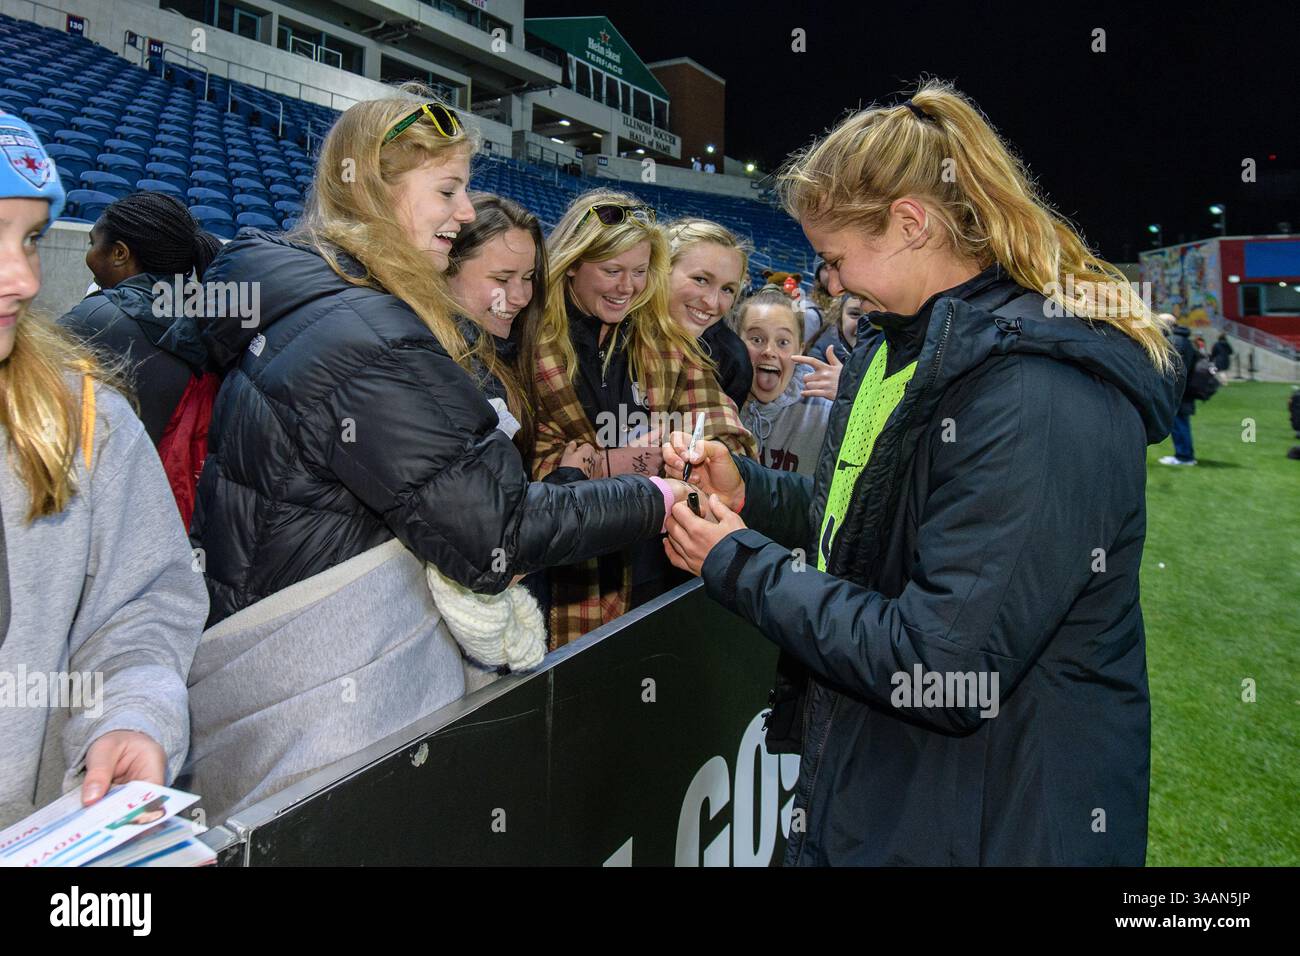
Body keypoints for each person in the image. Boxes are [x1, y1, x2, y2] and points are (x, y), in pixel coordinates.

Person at [660, 81, 1181, 866]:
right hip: (884, 792)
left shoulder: (1037, 393)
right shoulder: (892, 351)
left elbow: (944, 664)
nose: (829, 284)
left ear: (911, 222)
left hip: (993, 820)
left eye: (834, 259)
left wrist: (736, 562)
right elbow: (878, 520)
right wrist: (752, 493)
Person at [184, 93, 691, 821]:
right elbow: (493, 534)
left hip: (298, 664)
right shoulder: (364, 332)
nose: (462, 214)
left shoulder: (332, 305)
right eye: (446, 191)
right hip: (323, 681)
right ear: (372, 189)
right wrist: (658, 498)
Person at [0, 115, 206, 828]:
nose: (26, 277)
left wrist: (133, 713)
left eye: (29, 238)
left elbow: (138, 601)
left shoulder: (84, 410)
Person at [531, 188, 756, 646]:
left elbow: (724, 430)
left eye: (638, 272)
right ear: (572, 261)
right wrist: (625, 460)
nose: (627, 286)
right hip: (559, 570)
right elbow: (520, 457)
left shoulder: (658, 337)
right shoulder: (532, 337)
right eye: (613, 270)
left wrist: (681, 450)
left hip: (653, 560)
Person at [57, 192, 225, 523]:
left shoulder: (99, 317)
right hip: (165, 516)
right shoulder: (209, 318)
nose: (88, 256)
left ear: (119, 253)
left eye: (93, 244)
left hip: (93, 509)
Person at [735, 287, 831, 477]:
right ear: (737, 342)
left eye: (783, 342)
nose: (769, 351)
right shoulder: (716, 399)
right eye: (756, 339)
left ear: (801, 349)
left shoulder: (827, 414)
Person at [662, 217, 753, 409]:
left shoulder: (732, 362)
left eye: (727, 289)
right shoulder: (611, 328)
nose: (712, 302)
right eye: (701, 280)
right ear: (662, 269)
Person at [1161, 320, 1200, 466]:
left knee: (1179, 424)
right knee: (1181, 423)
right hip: (1185, 389)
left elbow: (1174, 368)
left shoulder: (1175, 341)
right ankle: (1184, 454)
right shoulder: (1185, 341)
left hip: (1180, 391)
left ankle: (1184, 456)